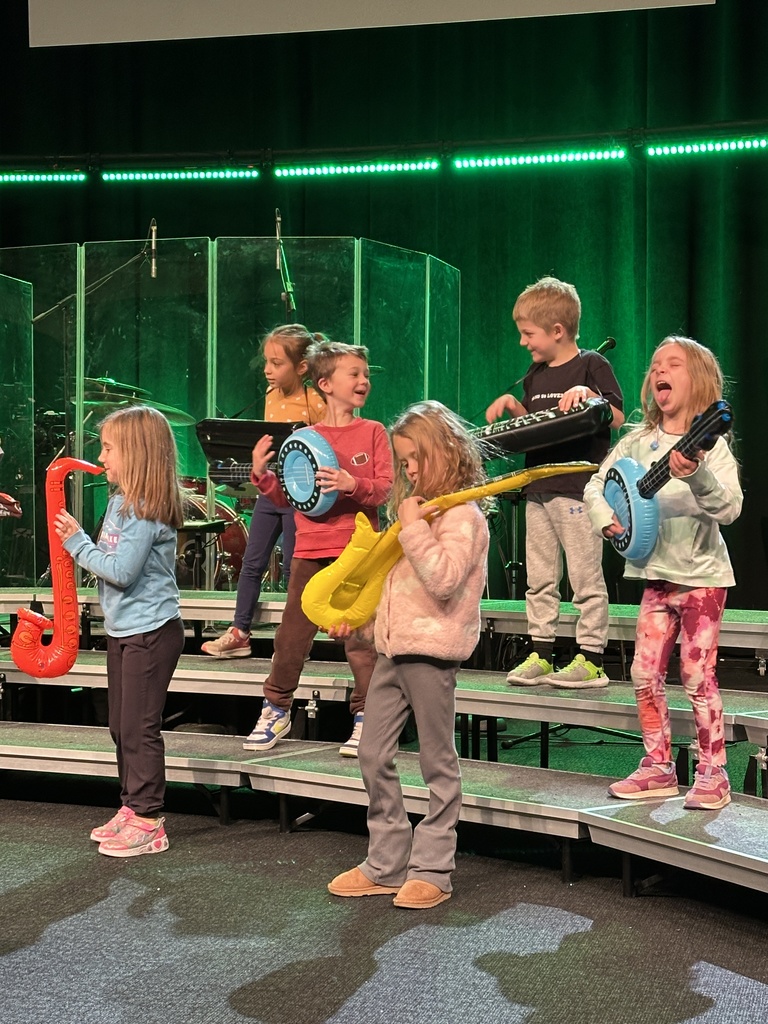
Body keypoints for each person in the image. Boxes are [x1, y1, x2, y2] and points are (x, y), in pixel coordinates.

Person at [327, 401, 490, 908]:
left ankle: (434, 869)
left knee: (436, 762)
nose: (410, 470)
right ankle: (386, 863)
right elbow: (398, 587)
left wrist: (413, 526)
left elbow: (441, 580)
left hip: (433, 653)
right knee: (373, 752)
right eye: (403, 462)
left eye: (416, 458)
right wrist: (362, 622)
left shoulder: (462, 517)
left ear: (444, 452)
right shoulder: (422, 512)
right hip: (393, 652)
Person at [583, 336, 742, 809]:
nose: (659, 371)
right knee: (643, 673)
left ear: (700, 380)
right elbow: (598, 486)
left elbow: (730, 508)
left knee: (696, 675)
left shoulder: (710, 448)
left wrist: (694, 473)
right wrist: (606, 519)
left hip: (702, 577)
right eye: (654, 365)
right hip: (655, 576)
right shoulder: (635, 441)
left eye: (673, 364)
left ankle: (713, 773)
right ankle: (658, 767)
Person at [243, 339, 393, 756]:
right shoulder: (304, 438)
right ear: (325, 383)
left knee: (361, 642)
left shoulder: (374, 432)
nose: (363, 381)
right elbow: (292, 498)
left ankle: (367, 715)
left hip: (358, 556)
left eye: (366, 374)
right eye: (354, 374)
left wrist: (352, 484)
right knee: (291, 637)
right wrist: (261, 476)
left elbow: (384, 490)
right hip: (310, 552)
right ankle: (276, 707)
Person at [54, 406, 185, 856]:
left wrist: (77, 543)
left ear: (136, 452)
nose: (101, 456)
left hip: (152, 630)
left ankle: (149, 820)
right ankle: (131, 806)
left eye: (109, 447)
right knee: (119, 726)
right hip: (124, 629)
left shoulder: (146, 509)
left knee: (138, 727)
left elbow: (122, 571)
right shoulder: (118, 502)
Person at [485, 276, 624, 688]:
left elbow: (615, 417)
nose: (523, 342)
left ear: (557, 331)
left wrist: (588, 393)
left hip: (578, 488)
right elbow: (539, 424)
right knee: (540, 577)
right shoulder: (535, 373)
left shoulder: (591, 365)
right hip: (538, 488)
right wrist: (516, 407)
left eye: (528, 333)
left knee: (583, 576)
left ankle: (591, 658)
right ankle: (541, 653)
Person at [201, 323, 327, 658]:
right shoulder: (271, 397)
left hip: (299, 499)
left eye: (277, 363)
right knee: (252, 562)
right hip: (271, 494)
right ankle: (240, 631)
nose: (268, 371)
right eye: (266, 362)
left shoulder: (316, 401)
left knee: (292, 569)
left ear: (302, 367)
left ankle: (295, 640)